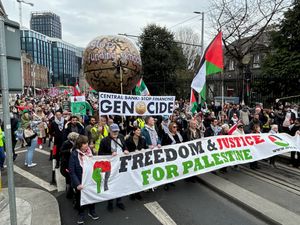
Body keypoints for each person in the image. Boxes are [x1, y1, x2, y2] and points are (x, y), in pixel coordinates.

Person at [69, 135, 99, 224]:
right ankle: (81, 213)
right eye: (85, 143)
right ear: (80, 144)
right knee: (80, 198)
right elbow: (72, 171)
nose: (87, 145)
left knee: (92, 196)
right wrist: (77, 184)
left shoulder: (90, 153)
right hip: (80, 181)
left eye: (87, 143)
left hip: (90, 180)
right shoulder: (74, 155)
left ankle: (92, 211)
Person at [99, 123, 129, 212]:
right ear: (110, 131)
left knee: (120, 182)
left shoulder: (121, 137)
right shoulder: (104, 141)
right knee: (111, 183)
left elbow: (124, 146)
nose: (115, 133)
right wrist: (110, 155)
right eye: (114, 131)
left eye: (117, 131)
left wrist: (126, 150)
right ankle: (110, 202)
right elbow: (100, 154)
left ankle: (119, 201)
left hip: (120, 164)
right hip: (110, 165)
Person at [125, 126, 146, 200]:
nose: (139, 132)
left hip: (139, 160)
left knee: (139, 176)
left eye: (140, 130)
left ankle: (138, 193)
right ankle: (132, 193)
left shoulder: (142, 139)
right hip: (131, 160)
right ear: (134, 131)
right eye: (137, 130)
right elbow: (126, 148)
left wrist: (144, 149)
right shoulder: (128, 139)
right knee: (132, 176)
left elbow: (145, 147)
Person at [60, 132, 79, 199]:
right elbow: (61, 151)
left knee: (71, 178)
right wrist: (69, 150)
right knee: (68, 178)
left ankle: (70, 191)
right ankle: (68, 193)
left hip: (71, 162)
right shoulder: (66, 143)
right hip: (66, 163)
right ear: (73, 138)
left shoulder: (74, 143)